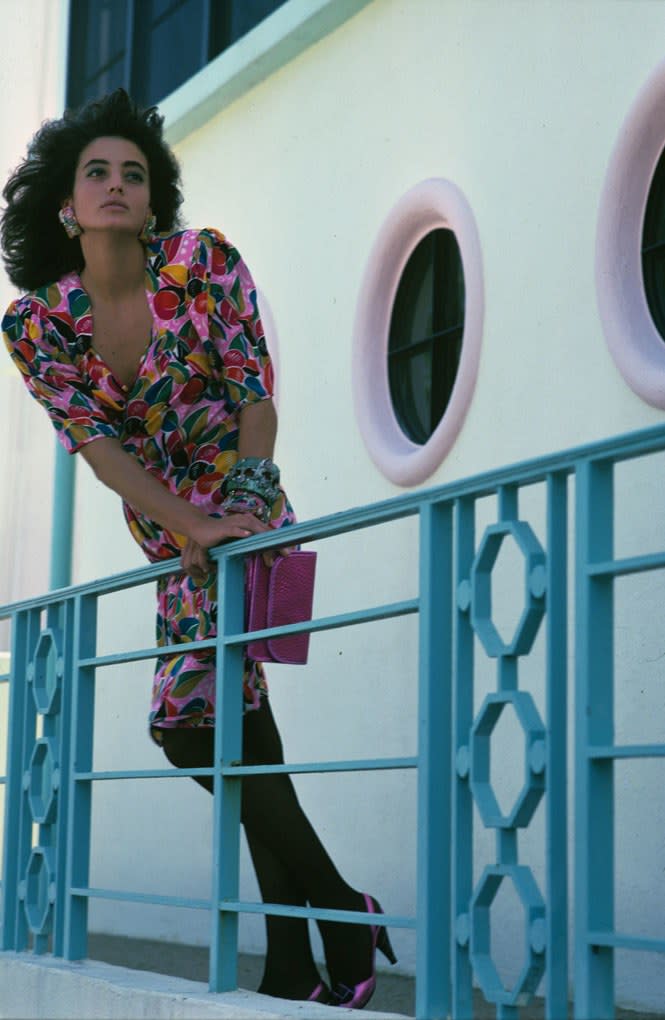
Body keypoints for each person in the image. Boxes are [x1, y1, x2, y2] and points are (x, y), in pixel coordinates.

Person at [1, 89, 395, 1008]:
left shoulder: (203, 263)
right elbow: (97, 452)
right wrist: (185, 526)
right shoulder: (38, 326)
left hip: (245, 513)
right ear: (66, 203)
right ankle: (314, 941)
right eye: (95, 171)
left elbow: (256, 392)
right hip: (176, 540)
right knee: (232, 732)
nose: (115, 185)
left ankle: (330, 922)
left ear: (152, 201)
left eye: (133, 174)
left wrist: (239, 513)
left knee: (190, 726)